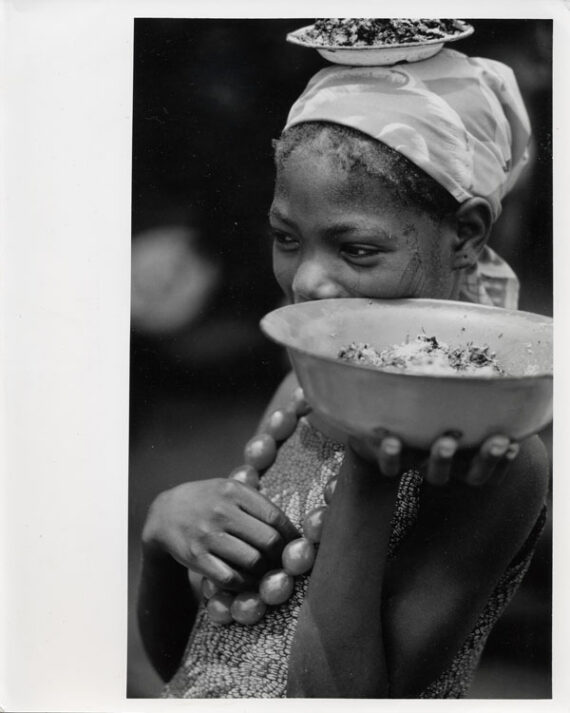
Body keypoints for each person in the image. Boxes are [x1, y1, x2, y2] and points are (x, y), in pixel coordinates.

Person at [137, 46, 550, 698]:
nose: (306, 281)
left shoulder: (496, 463)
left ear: (466, 235)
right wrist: (163, 532)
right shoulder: (301, 391)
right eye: (286, 238)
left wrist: (368, 468)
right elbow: (195, 667)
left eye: (356, 248)